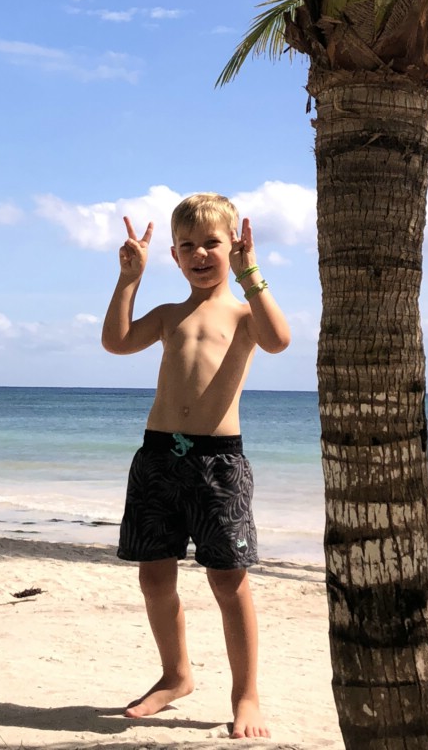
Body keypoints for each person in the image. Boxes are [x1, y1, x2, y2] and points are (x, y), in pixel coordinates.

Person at [101, 193, 291, 740]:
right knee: (154, 578)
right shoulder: (168, 315)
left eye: (212, 242)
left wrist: (251, 274)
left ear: (233, 245)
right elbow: (116, 342)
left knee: (229, 581)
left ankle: (246, 694)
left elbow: (279, 341)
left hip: (218, 463)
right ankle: (176, 675)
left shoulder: (244, 314)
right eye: (187, 246)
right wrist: (129, 279)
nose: (200, 253)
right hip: (158, 457)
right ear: (175, 256)